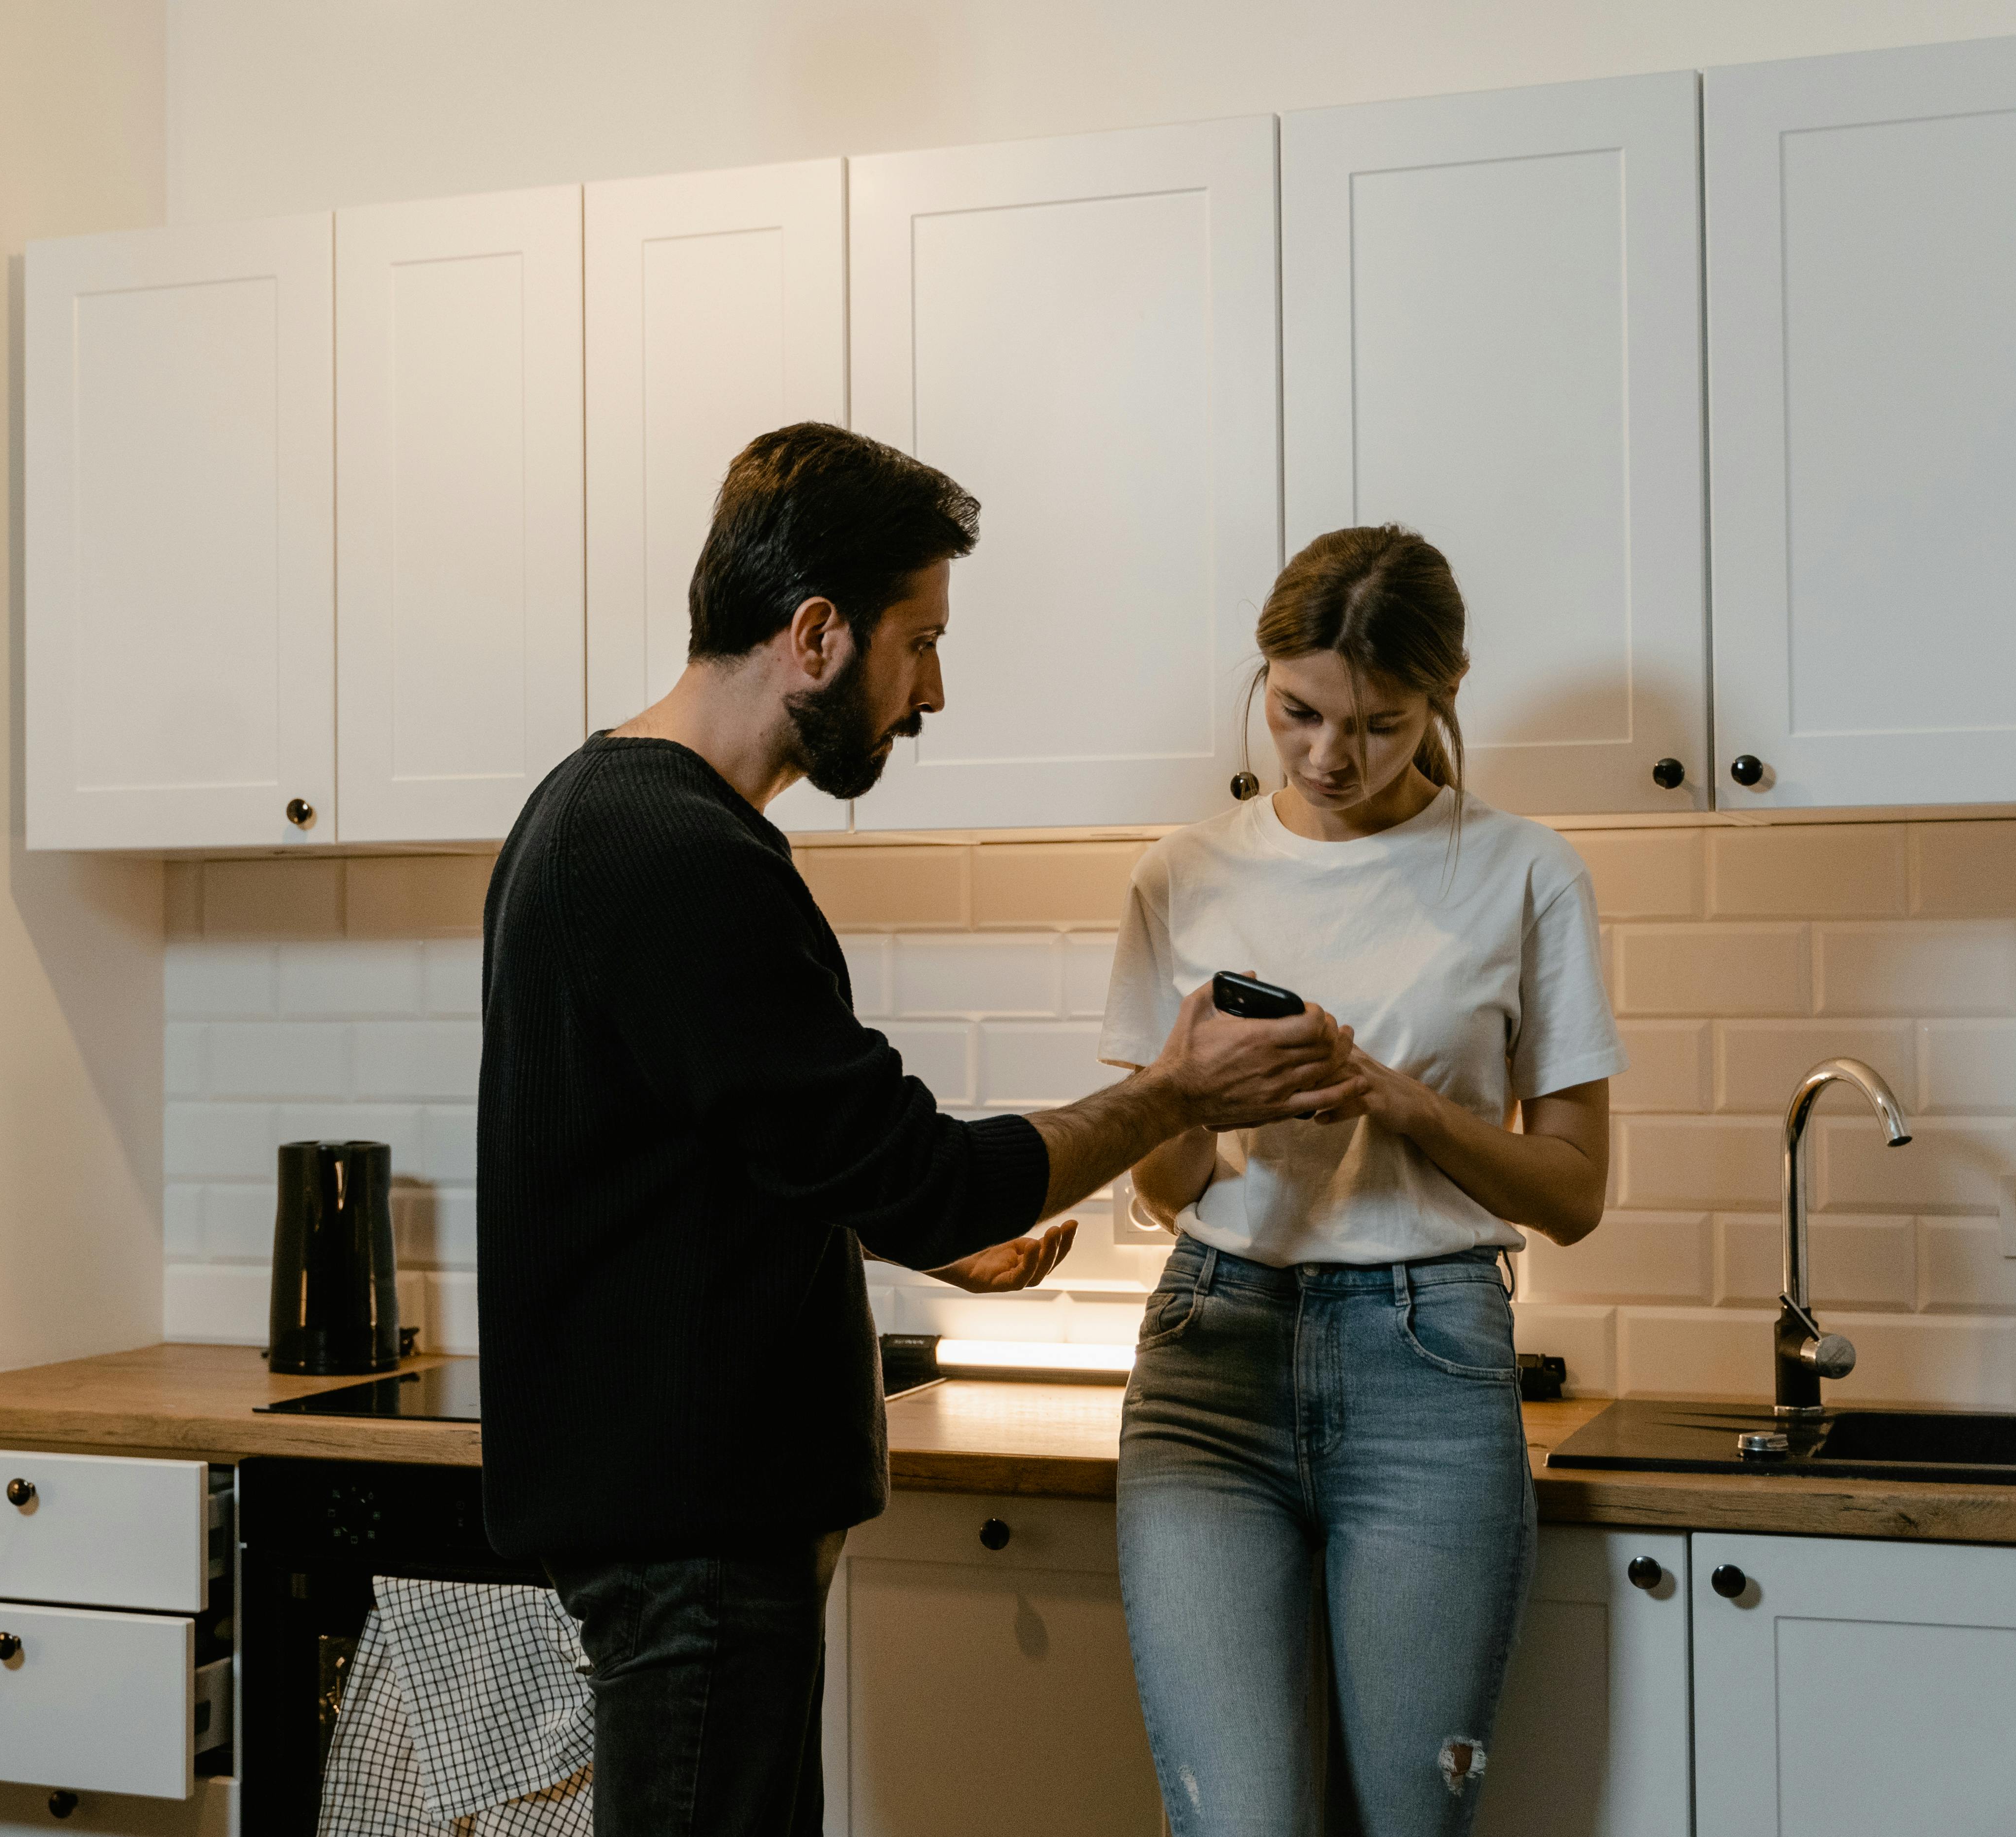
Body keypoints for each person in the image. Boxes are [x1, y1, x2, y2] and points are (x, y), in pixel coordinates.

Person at [478, 423, 1363, 1837]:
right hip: (695, 1534)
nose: (931, 691)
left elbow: (732, 1152)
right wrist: (1175, 1090)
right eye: (918, 640)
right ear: (817, 633)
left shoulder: (598, 810)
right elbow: (921, 1177)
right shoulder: (678, 856)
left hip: (676, 1517)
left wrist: (902, 1230)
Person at [1105, 525, 1626, 1837]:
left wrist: (1390, 1095)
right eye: (1298, 712)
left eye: (1379, 725)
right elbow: (1167, 1184)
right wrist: (1181, 1096)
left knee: (1410, 1820)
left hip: (1430, 1365)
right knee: (1241, 1825)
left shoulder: (1523, 871)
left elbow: (1570, 1189)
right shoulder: (1178, 874)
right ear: (1266, 680)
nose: (1329, 756)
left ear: (1440, 700)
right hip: (1209, 1353)